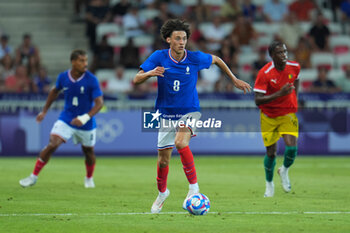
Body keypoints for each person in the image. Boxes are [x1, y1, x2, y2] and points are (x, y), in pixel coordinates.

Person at [133, 19, 251, 213]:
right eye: (178, 38)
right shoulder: (158, 57)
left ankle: (193, 189)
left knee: (181, 142)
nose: (182, 42)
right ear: (168, 39)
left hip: (189, 111)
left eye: (185, 38)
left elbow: (216, 59)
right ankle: (162, 193)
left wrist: (234, 78)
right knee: (163, 160)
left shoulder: (195, 58)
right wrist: (150, 73)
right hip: (165, 113)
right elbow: (136, 79)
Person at [19, 49, 104, 188]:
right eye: (82, 61)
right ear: (73, 62)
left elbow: (99, 103)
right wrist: (44, 111)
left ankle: (89, 178)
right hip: (67, 119)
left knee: (88, 152)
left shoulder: (91, 79)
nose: (85, 64)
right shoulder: (63, 77)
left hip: (86, 123)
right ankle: (33, 177)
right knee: (52, 144)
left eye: (86, 60)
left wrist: (84, 118)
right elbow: (54, 92)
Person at [254, 41, 300, 197]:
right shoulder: (265, 73)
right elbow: (257, 100)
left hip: (287, 113)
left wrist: (295, 97)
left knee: (292, 147)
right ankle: (269, 184)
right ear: (272, 56)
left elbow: (296, 79)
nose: (284, 55)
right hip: (269, 116)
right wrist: (280, 93)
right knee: (271, 153)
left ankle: (284, 171)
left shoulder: (294, 67)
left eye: (285, 51)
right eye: (280, 53)